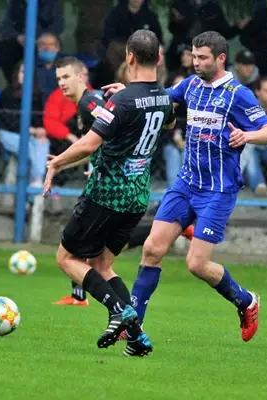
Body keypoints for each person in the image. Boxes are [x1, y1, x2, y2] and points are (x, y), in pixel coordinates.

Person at [103, 31, 267, 342]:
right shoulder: (191, 85)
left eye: (203, 58)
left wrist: (247, 135)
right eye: (194, 57)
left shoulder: (238, 94)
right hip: (186, 183)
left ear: (221, 58)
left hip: (218, 190)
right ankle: (133, 325)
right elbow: (160, 98)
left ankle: (246, 301)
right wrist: (127, 93)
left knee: (197, 264)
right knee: (152, 249)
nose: (196, 63)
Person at [43, 30, 175, 357]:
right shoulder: (164, 98)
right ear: (158, 58)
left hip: (107, 193)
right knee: (102, 264)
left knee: (66, 259)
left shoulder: (121, 100)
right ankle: (137, 337)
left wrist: (56, 163)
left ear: (129, 57)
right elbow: (169, 124)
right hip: (137, 195)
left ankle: (118, 311)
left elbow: (90, 143)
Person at [51, 56, 195, 307]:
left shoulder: (88, 102)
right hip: (118, 183)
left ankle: (92, 300)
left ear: (81, 76)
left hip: (113, 186)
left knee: (77, 251)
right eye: (58, 79)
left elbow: (108, 133)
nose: (62, 83)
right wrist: (72, 162)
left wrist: (104, 164)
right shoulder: (89, 103)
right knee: (94, 256)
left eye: (66, 77)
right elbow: (96, 143)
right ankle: (101, 305)